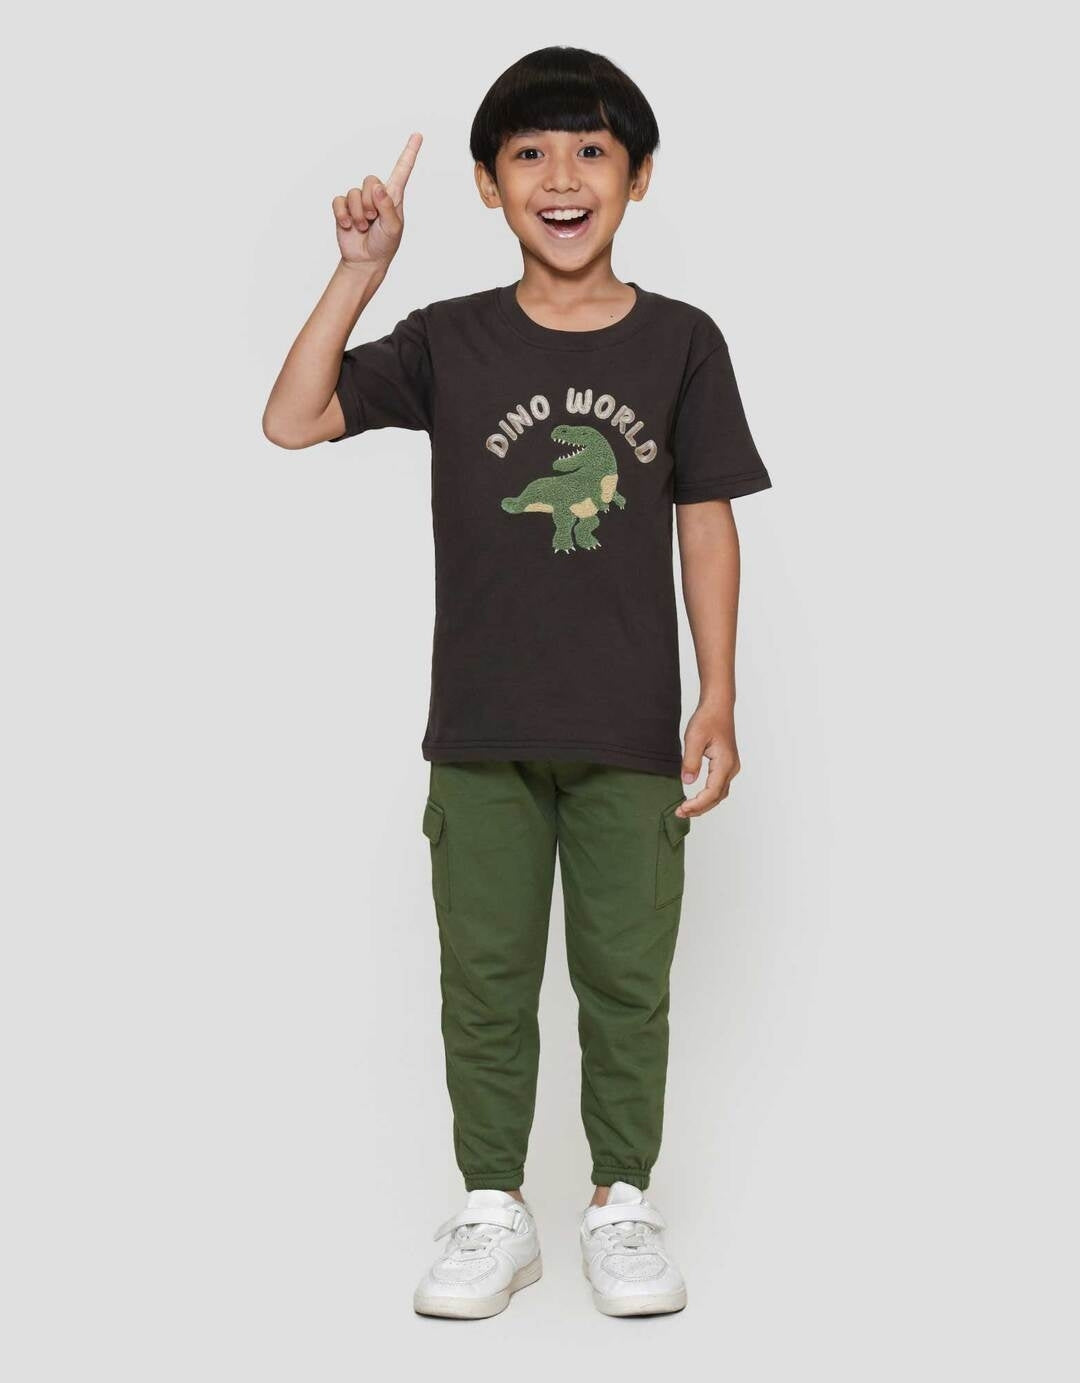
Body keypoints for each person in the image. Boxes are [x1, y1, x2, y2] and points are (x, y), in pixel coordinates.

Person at [262, 45, 772, 1320]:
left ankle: (621, 1202)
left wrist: (717, 692)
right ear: (488, 185)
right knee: (484, 983)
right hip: (481, 732)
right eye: (529, 154)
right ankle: (494, 1206)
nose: (562, 178)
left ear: (639, 178)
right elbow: (293, 418)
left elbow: (705, 520)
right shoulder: (451, 340)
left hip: (630, 734)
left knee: (626, 981)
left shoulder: (682, 342)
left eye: (592, 151)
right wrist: (360, 272)